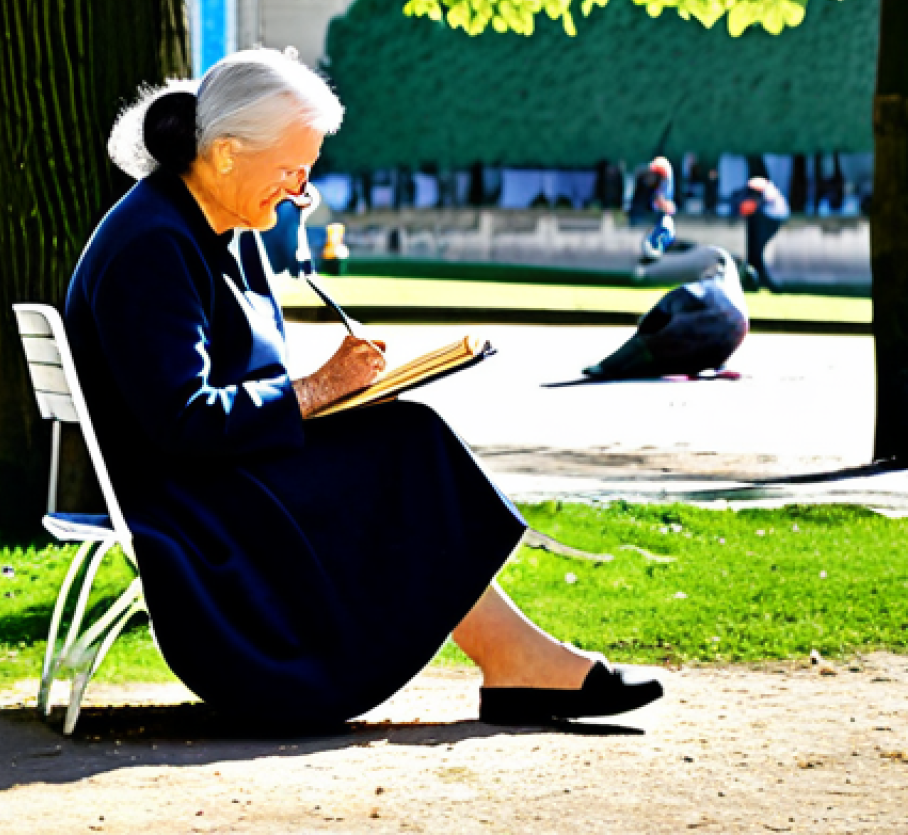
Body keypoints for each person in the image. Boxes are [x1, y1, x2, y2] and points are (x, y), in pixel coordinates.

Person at [65, 49, 662, 732]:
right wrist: (319, 390)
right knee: (409, 446)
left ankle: (518, 660)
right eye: (291, 170)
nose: (300, 192)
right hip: (192, 502)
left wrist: (335, 400)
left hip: (221, 475)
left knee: (405, 434)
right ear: (226, 153)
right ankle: (519, 663)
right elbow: (183, 421)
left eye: (309, 172)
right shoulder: (155, 244)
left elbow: (238, 384)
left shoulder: (212, 224)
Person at [734, 176, 789, 293]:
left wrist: (751, 205)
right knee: (754, 254)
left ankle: (768, 284)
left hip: (771, 220)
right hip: (763, 219)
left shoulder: (770, 193)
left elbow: (760, 204)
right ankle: (753, 282)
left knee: (759, 254)